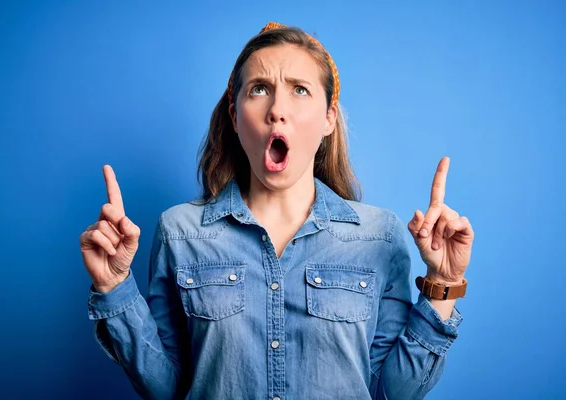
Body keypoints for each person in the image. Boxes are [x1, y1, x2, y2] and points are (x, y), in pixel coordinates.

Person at [80, 21, 474, 400]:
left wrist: (444, 281)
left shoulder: (379, 236)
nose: (277, 109)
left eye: (300, 90)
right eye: (259, 89)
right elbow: (164, 388)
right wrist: (113, 288)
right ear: (235, 118)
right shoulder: (180, 232)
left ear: (328, 120)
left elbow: (391, 393)